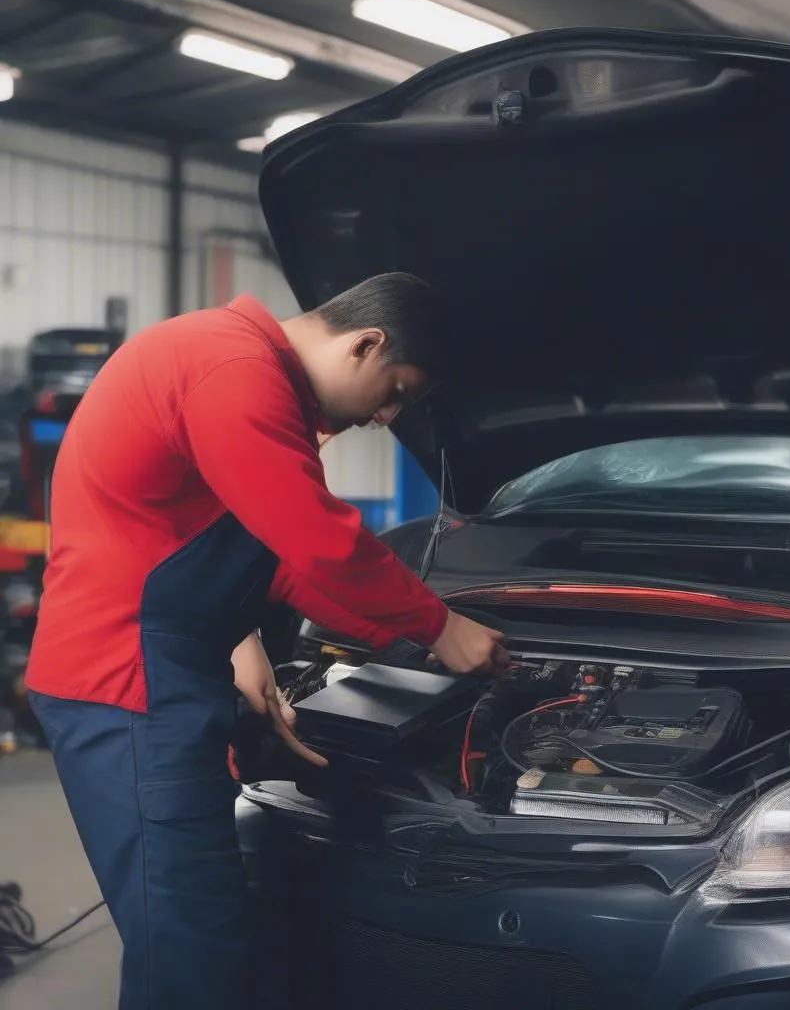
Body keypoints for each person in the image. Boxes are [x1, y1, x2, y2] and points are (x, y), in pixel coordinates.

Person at [24, 274, 507, 1010]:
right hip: (130, 682)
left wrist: (410, 644)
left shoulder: (234, 365)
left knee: (210, 928)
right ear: (365, 343)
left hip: (158, 669)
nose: (386, 415)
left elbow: (271, 561)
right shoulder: (234, 369)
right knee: (188, 948)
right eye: (397, 390)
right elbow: (316, 539)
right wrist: (439, 628)